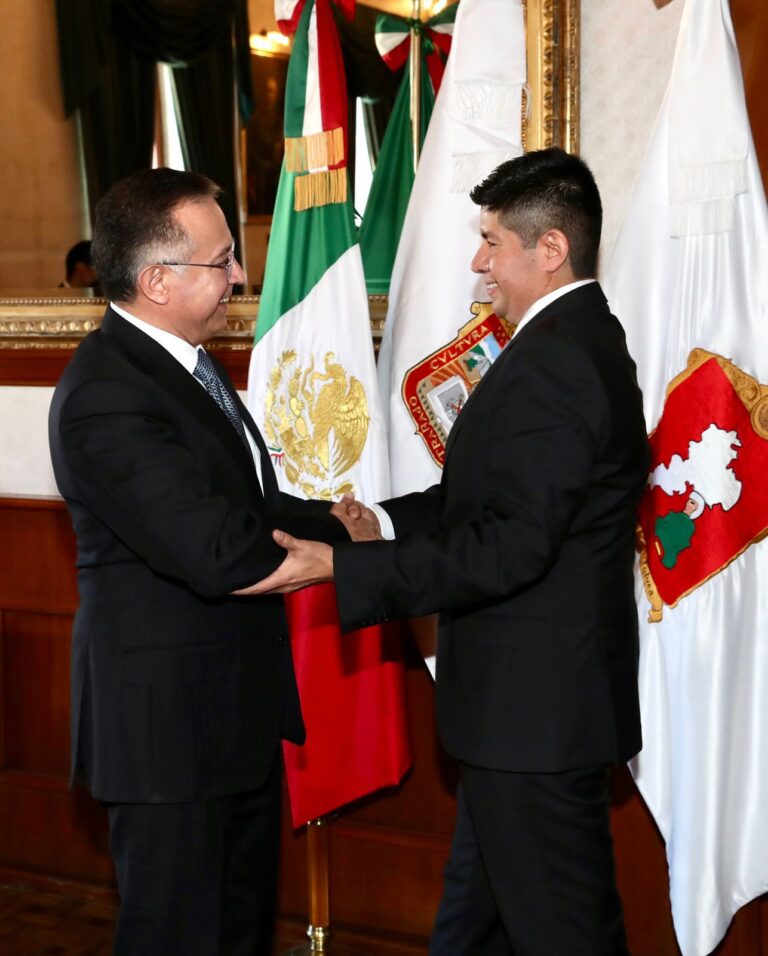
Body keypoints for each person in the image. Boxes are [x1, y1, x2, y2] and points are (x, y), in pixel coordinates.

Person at [243, 148, 651, 954]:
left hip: (534, 719)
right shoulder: (561, 343)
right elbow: (480, 500)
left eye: (493, 242)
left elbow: (510, 548)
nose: (478, 263)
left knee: (568, 934)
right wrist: (373, 525)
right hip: (518, 717)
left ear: (551, 248)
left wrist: (348, 569)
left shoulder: (562, 359)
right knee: (473, 927)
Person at [48, 167, 355, 956]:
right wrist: (349, 564)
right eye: (221, 261)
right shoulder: (108, 391)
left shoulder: (187, 362)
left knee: (238, 935)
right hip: (168, 741)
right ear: (157, 280)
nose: (239, 277)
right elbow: (220, 553)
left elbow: (249, 507)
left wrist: (351, 523)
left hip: (232, 723)